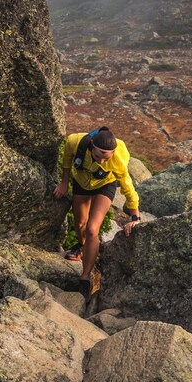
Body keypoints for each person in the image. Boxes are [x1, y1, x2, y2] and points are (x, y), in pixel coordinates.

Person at [53, 127, 141, 300]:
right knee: (80, 224)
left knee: (93, 229)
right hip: (81, 182)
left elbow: (128, 188)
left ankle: (85, 278)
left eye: (106, 157)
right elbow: (67, 159)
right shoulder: (75, 142)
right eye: (98, 155)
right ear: (92, 145)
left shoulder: (117, 161)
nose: (101, 161)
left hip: (105, 184)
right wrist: (64, 183)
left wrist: (135, 217)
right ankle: (83, 248)